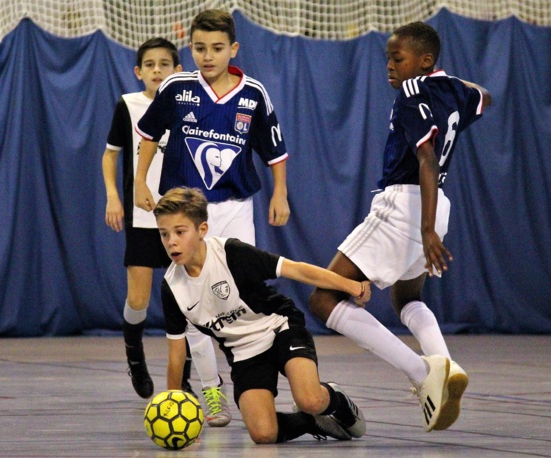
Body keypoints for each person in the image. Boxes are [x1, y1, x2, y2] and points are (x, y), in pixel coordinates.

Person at [309, 21, 492, 432]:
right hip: (438, 204)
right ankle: (445, 364)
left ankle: (422, 373)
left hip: (407, 205)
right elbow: (486, 97)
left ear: (424, 61)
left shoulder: (414, 92)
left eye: (398, 58)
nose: (389, 66)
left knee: (323, 298)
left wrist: (426, 231)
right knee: (406, 297)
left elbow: (426, 159)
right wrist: (445, 79)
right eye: (388, 57)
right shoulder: (455, 92)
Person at [133, 9, 290, 425]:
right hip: (184, 208)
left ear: (233, 49)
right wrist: (139, 182)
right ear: (191, 47)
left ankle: (258, 377)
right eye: (199, 48)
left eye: (217, 48)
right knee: (193, 301)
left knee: (245, 292)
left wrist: (281, 194)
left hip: (235, 207)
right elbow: (148, 136)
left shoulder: (253, 94)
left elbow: (274, 151)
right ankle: (210, 387)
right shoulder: (176, 87)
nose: (208, 55)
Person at [154, 187, 369, 444]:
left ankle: (335, 400)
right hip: (244, 352)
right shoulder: (172, 287)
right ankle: (312, 421)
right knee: (263, 434)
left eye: (180, 232)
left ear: (202, 230)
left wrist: (351, 286)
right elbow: (177, 354)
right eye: (164, 234)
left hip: (278, 326)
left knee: (310, 399)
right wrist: (173, 407)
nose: (171, 242)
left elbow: (298, 270)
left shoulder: (230, 254)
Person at [101, 37, 230, 427]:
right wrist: (114, 196)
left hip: (180, 222)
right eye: (149, 65)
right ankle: (135, 357)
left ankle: (190, 380)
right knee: (138, 298)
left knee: (189, 301)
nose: (157, 70)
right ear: (139, 71)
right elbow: (111, 154)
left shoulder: (191, 103)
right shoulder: (129, 105)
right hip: (143, 220)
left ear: (178, 70)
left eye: (164, 64)